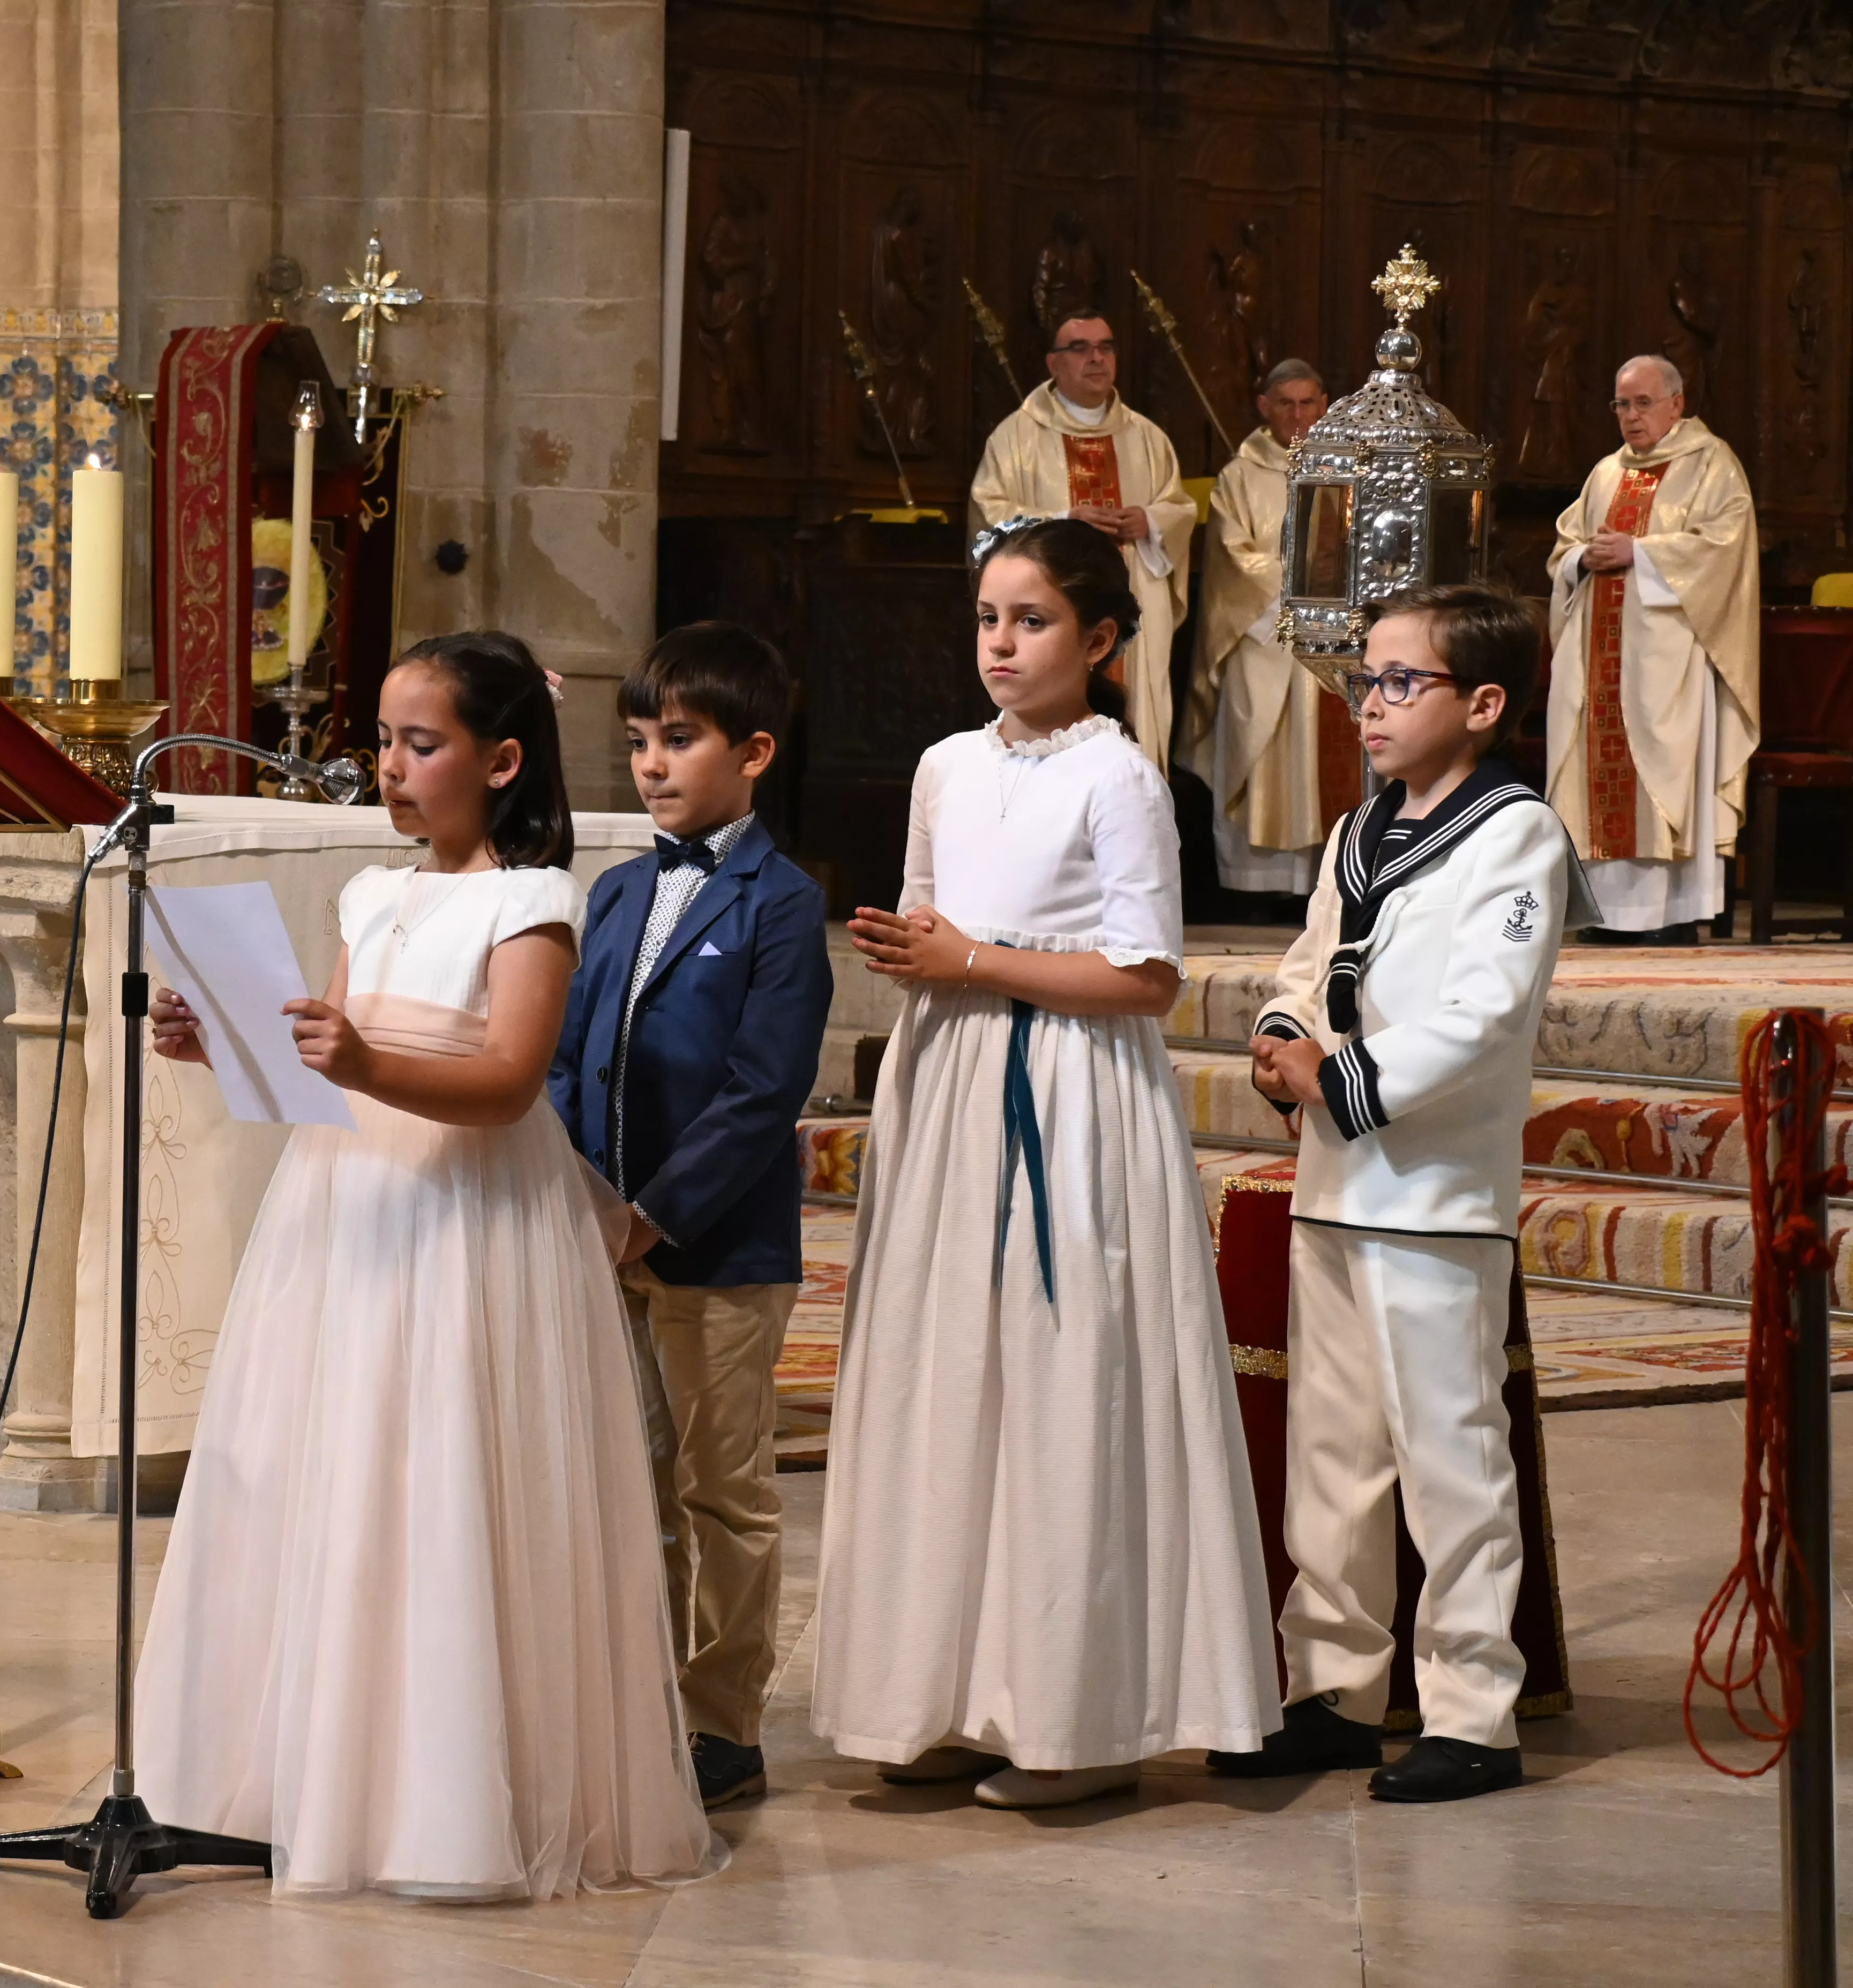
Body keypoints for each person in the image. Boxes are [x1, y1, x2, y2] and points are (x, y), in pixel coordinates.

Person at [132, 630, 719, 1900]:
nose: (392, 768)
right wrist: (219, 1042)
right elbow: (327, 1067)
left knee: (440, 1475)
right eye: (383, 742)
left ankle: (443, 1798)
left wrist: (356, 1063)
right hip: (347, 1211)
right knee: (337, 1470)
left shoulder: (534, 904)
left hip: (467, 1218)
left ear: (500, 760)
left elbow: (506, 1082)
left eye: (421, 744)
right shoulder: (370, 895)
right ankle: (320, 1769)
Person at [810, 517, 1278, 1810]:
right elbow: (930, 917)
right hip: (950, 1081)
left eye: (1029, 621)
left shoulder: (1119, 779)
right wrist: (913, 954)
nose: (1001, 644)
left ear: (1101, 640)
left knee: (1062, 1377)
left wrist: (971, 963)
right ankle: (948, 1693)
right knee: (947, 1370)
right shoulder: (945, 764)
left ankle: (1078, 1716)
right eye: (985, 620)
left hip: (1063, 1093)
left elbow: (1142, 977)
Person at [1212, 584, 1591, 1804]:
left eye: (1397, 681)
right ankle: (1332, 1689)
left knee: (1447, 1453)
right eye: (1363, 679)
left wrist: (1340, 1076)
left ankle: (1474, 1707)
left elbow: (1480, 1012)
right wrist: (1283, 1036)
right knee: (1335, 1456)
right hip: (1335, 1179)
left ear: (1480, 703)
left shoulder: (1515, 834)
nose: (1368, 703)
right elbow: (1309, 958)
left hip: (1430, 1190)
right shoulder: (1354, 831)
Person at [547, 621, 832, 1812]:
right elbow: (565, 1055)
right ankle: (642, 1692)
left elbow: (762, 1091)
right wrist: (575, 1188)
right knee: (634, 1478)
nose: (652, 764)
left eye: (680, 740)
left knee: (723, 1490)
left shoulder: (781, 903)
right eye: (638, 742)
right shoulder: (614, 890)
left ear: (753, 751)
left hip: (718, 1246)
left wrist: (653, 1214)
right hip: (604, 1233)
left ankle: (725, 1723)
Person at [1546, 354, 1759, 944]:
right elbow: (1566, 544)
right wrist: (1578, 560)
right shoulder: (1606, 473)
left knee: (1663, 772)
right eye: (1622, 404)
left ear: (1676, 403)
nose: (1631, 417)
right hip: (1599, 656)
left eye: (1643, 403)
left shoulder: (1711, 465)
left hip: (1667, 665)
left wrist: (1638, 553)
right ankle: (1605, 913)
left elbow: (1724, 547)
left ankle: (1667, 914)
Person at [969, 314, 1196, 775]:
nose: (1097, 357)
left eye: (1106, 347)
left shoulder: (1148, 437)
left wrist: (1150, 521)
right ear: (1054, 363)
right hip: (1046, 617)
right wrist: (1064, 520)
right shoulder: (1016, 436)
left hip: (1132, 603)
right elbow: (988, 514)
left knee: (1137, 719)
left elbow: (1179, 508)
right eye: (1081, 348)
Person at [1191, 360, 1335, 898]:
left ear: (1325, 404)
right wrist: (1303, 581)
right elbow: (1233, 563)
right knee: (1263, 747)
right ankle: (1257, 885)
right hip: (1263, 639)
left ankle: (1326, 881)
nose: (1297, 416)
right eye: (1286, 404)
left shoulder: (1350, 468)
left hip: (1336, 644)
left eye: (1308, 403)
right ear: (1264, 407)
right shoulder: (1239, 475)